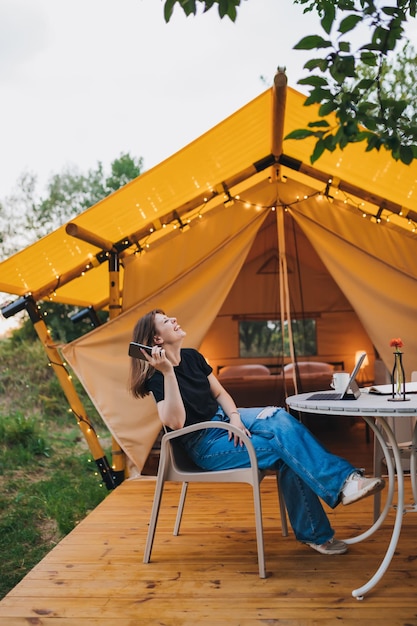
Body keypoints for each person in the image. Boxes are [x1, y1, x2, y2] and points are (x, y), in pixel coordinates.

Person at [129, 309, 385, 556]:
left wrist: (235, 417)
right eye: (165, 320)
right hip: (204, 442)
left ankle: (344, 486)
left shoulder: (194, 357)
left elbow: (219, 394)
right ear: (156, 340)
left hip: (225, 420)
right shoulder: (158, 377)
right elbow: (176, 423)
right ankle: (330, 508)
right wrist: (167, 372)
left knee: (278, 415)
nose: (174, 319)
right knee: (285, 450)